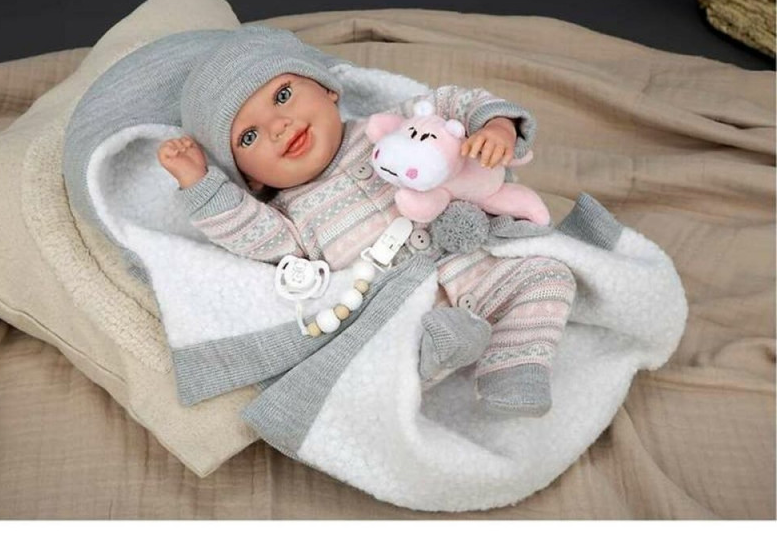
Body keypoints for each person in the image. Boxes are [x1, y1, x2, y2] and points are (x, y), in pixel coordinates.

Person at [157, 25, 575, 416]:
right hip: (400, 314)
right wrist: (199, 181)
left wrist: (496, 127)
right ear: (249, 177)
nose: (279, 126)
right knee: (374, 362)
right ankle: (433, 355)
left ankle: (513, 373)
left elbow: (450, 105)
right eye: (249, 136)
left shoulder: (392, 128)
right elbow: (249, 233)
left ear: (326, 89)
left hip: (478, 269)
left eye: (282, 95)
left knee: (549, 277)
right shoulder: (288, 216)